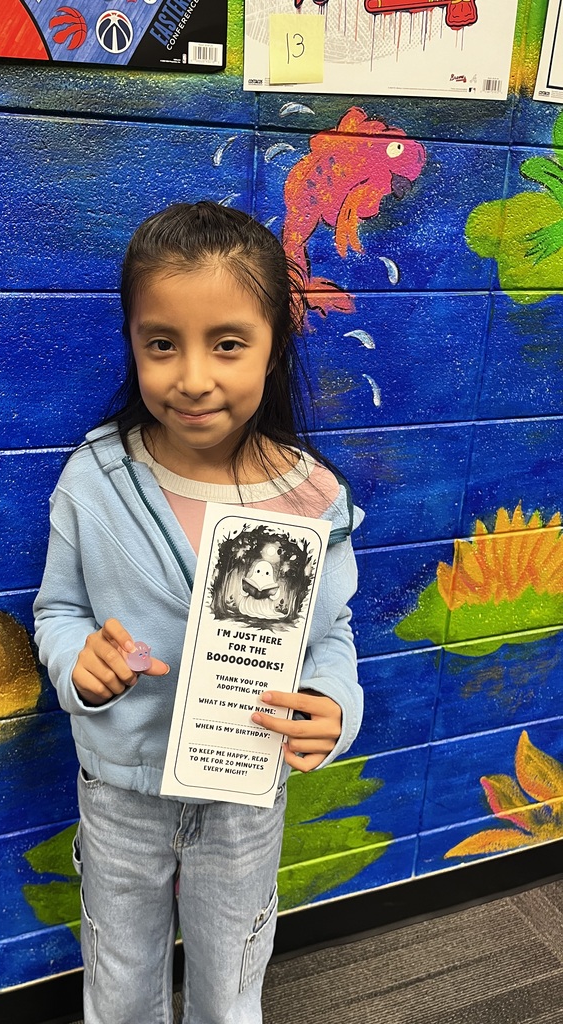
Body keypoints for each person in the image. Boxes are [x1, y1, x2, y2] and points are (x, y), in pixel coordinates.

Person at [33, 201, 363, 1024]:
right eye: (161, 344)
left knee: (231, 978)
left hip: (244, 791)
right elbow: (58, 608)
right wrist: (79, 661)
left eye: (227, 343)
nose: (191, 377)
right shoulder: (97, 477)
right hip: (122, 790)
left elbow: (331, 634)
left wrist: (333, 705)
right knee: (119, 979)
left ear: (274, 345)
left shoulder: (312, 498)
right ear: (133, 343)